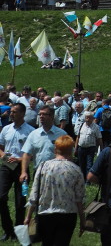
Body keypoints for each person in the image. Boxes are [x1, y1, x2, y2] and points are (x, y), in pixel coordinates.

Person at [24, 134, 84, 246]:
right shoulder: (76, 170)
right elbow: (79, 199)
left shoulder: (43, 166)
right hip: (68, 215)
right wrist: (82, 220)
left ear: (55, 149)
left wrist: (28, 217)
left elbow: (34, 194)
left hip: (46, 214)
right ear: (71, 151)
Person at [0, 102, 34, 240]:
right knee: (1, 197)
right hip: (5, 167)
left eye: (14, 112)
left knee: (20, 201)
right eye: (11, 111)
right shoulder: (6, 129)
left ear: (22, 113)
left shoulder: (30, 131)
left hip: (22, 168)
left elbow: (32, 154)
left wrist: (19, 160)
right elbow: (0, 147)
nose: (11, 114)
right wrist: (5, 157)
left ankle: (18, 231)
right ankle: (7, 230)